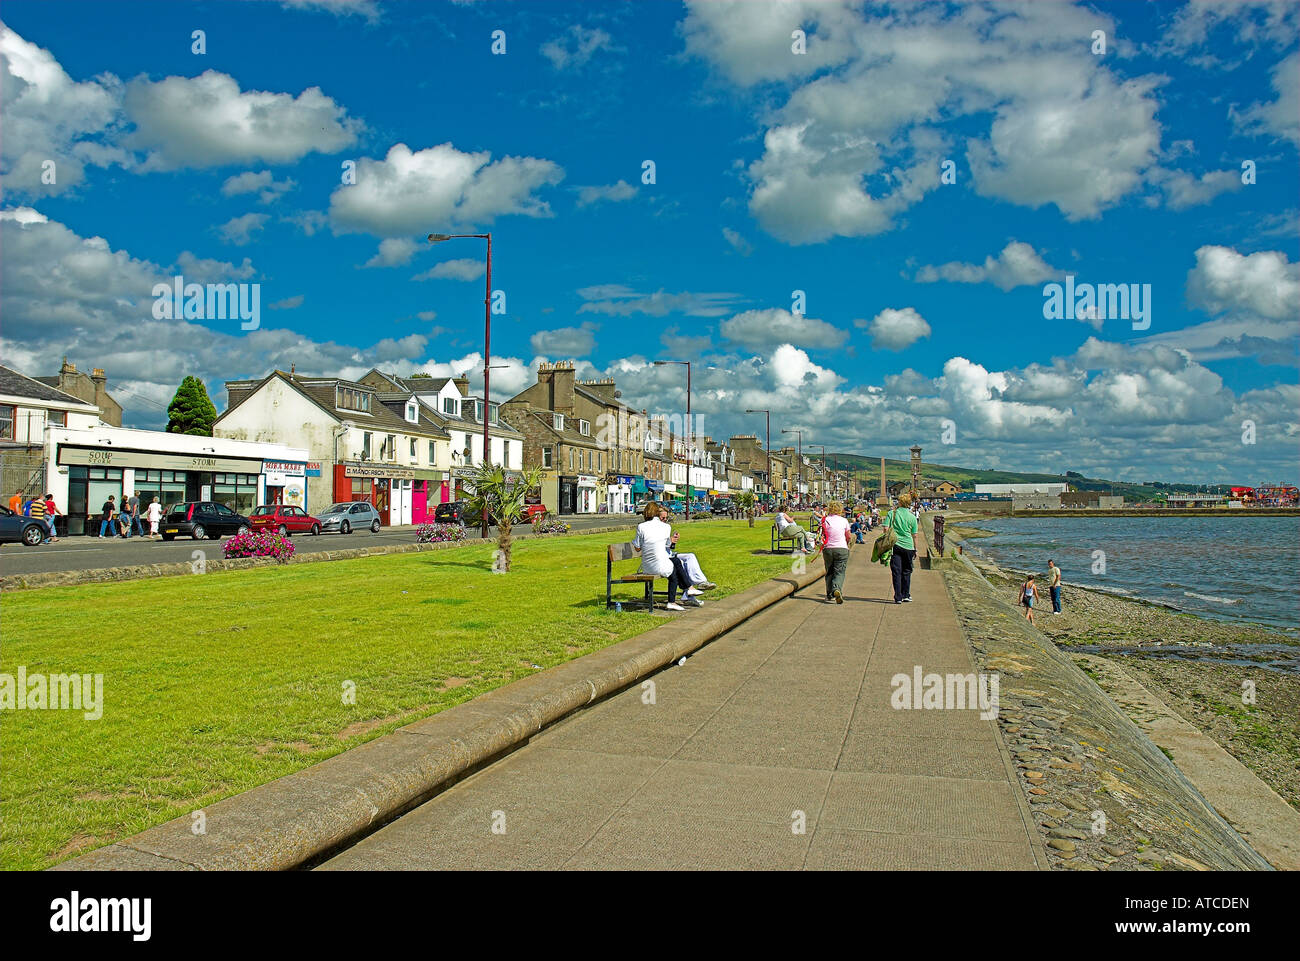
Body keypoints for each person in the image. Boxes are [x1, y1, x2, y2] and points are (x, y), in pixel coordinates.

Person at [632, 501, 688, 612]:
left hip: (647, 566)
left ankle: (686, 590)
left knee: (675, 564)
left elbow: (637, 548)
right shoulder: (666, 527)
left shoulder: (641, 526)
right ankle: (680, 594)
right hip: (660, 564)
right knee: (675, 567)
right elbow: (668, 545)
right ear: (658, 513)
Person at [887, 492, 919, 604]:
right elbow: (914, 535)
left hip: (895, 545)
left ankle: (898, 596)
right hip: (908, 546)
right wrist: (916, 549)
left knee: (896, 571)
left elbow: (886, 529)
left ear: (900, 502)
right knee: (907, 571)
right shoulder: (912, 517)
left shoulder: (892, 513)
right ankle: (906, 594)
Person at [820, 500, 852, 604]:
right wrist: (846, 543)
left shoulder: (825, 520)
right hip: (842, 548)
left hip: (828, 548)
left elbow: (822, 535)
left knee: (829, 571)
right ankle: (836, 589)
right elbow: (848, 536)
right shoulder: (844, 521)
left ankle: (830, 595)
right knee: (839, 572)